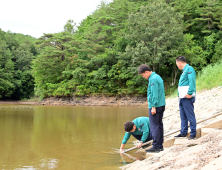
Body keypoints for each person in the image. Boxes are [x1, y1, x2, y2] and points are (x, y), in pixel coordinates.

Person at [138, 64, 166, 153]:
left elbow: (154, 94)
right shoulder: (157, 76)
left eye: (143, 75)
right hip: (160, 104)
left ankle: (156, 146)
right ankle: (160, 145)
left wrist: (153, 107)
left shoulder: (153, 79)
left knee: (154, 126)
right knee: (159, 125)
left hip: (156, 106)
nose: (143, 77)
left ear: (147, 72)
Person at [174, 56, 197, 140]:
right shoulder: (184, 71)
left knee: (190, 115)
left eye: (177, 64)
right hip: (182, 97)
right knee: (183, 116)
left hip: (187, 96)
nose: (177, 66)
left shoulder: (189, 69)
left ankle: (193, 133)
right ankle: (183, 132)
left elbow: (192, 81)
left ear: (179, 63)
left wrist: (190, 93)